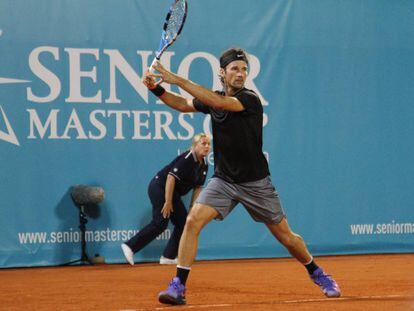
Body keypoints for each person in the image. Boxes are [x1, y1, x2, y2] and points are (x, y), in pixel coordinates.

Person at [142, 47, 341, 305]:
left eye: (244, 69)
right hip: (224, 181)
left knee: (286, 238)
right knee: (192, 222)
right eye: (235, 68)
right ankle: (178, 286)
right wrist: (156, 89)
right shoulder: (213, 98)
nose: (241, 73)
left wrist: (176, 79)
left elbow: (220, 103)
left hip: (256, 183)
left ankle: (318, 273)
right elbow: (181, 104)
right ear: (222, 73)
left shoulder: (249, 99)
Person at [121, 133, 211, 266]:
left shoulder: (204, 164)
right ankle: (129, 246)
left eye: (209, 144)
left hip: (172, 192)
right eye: (203, 143)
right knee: (160, 223)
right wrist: (168, 202)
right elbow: (170, 177)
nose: (207, 147)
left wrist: (193, 208)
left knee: (183, 222)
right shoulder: (187, 158)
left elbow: (198, 188)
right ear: (195, 145)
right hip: (160, 187)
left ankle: (168, 256)